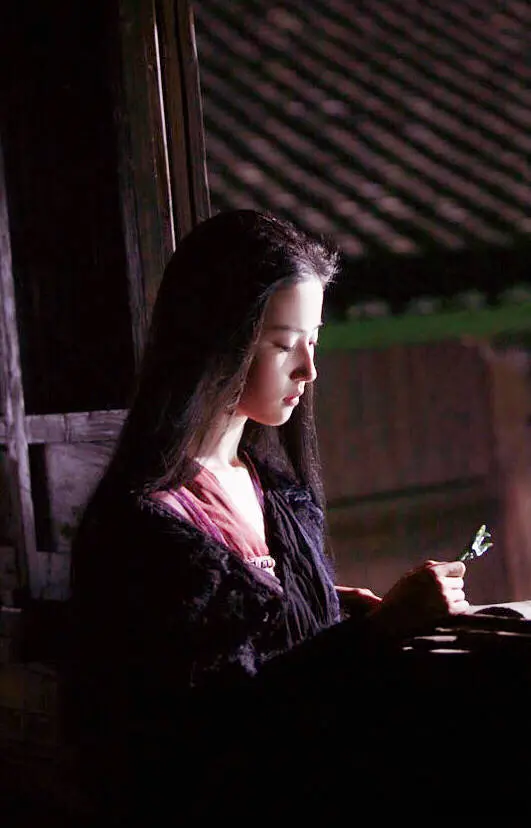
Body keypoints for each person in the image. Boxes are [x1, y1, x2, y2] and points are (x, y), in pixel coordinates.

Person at [66, 209, 480, 820]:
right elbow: (225, 726)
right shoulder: (143, 532)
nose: (309, 371)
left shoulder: (275, 492)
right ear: (217, 340)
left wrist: (322, 609)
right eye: (285, 345)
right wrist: (374, 633)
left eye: (314, 342)